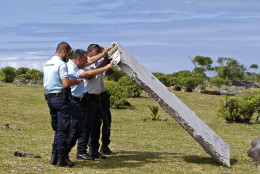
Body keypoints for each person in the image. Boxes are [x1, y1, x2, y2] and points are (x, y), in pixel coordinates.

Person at [66, 48, 112, 161]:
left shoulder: (83, 63)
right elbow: (88, 75)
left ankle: (94, 150)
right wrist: (104, 65)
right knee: (86, 126)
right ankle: (81, 151)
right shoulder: (78, 66)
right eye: (96, 51)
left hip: (98, 98)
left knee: (97, 125)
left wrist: (104, 55)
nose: (87, 60)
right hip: (87, 98)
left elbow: (93, 62)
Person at [43, 41, 82, 167]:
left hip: (50, 98)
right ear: (64, 51)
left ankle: (54, 157)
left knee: (57, 129)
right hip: (61, 99)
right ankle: (61, 159)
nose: (68, 57)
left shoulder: (47, 63)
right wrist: (75, 81)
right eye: (68, 54)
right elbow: (65, 83)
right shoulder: (61, 64)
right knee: (63, 130)